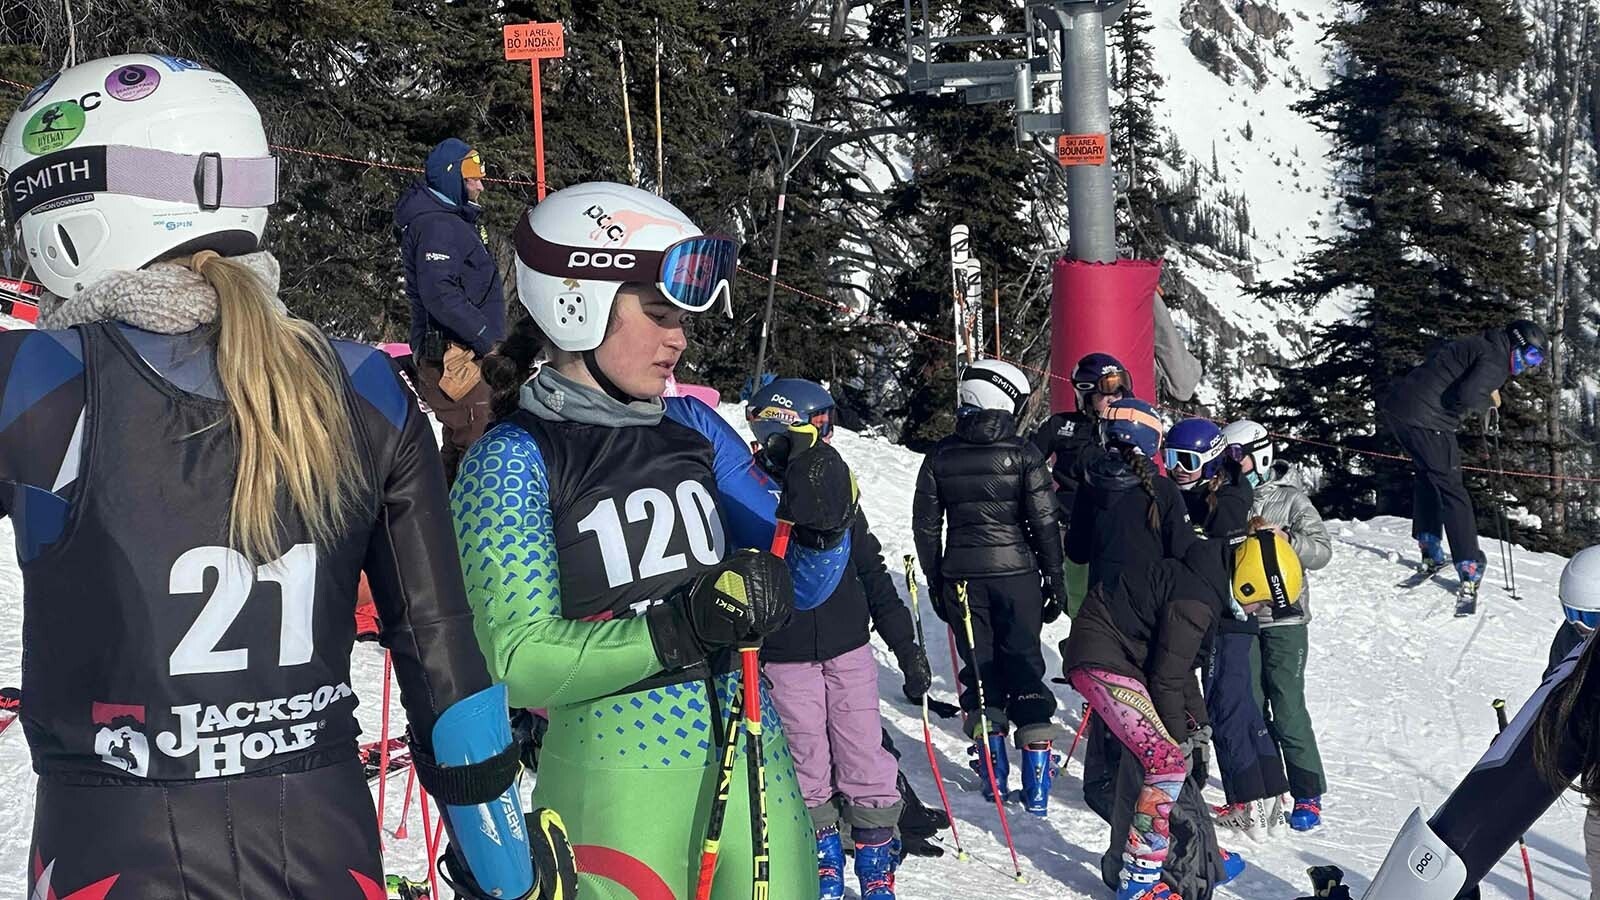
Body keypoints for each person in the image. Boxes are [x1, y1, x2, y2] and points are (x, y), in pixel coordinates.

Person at [0, 55, 565, 900]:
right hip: (328, 848)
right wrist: (506, 870)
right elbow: (445, 661)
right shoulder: (368, 384)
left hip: (113, 854)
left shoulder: (38, 378)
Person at [452, 181, 861, 899]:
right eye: (659, 313)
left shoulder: (691, 430)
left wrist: (822, 528)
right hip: (617, 775)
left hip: (754, 762)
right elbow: (512, 661)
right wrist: (678, 631)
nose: (678, 338)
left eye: (684, 318)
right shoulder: (514, 456)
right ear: (575, 299)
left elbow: (788, 589)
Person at [746, 378, 931, 900]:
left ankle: (875, 866)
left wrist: (907, 648)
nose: (827, 438)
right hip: (785, 656)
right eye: (819, 426)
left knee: (862, 754)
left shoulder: (834, 487)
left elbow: (872, 572)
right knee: (804, 757)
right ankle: (822, 859)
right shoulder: (749, 492)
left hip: (848, 648)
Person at [1064, 530, 1299, 900]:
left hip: (1124, 660)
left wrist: (1199, 726)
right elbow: (1167, 678)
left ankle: (1194, 857)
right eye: (1263, 602)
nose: (1258, 612)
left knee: (1170, 758)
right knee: (1167, 762)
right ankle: (1139, 877)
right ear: (1251, 585)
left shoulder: (1205, 585)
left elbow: (1181, 666)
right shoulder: (1197, 599)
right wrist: (1180, 737)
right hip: (1101, 659)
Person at [1362, 545, 1598, 899]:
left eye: (1591, 618)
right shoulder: (1572, 639)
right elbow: (1552, 699)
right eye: (1572, 613)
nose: (1581, 626)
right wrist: (1524, 740)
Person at [912, 359, 1063, 813]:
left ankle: (993, 771)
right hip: (1017, 575)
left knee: (979, 669)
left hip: (962, 575)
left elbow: (925, 526)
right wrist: (1054, 578)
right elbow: (1045, 522)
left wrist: (936, 576)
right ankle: (1037, 777)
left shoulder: (940, 454)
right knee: (1023, 662)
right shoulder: (1024, 454)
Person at [1379, 319, 1548, 603]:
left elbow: (1445, 361)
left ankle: (1430, 545)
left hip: (1399, 411)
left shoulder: (1482, 344)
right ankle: (1469, 565)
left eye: (1537, 359)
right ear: (1517, 345)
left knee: (1428, 476)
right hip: (1428, 421)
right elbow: (1468, 394)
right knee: (1452, 490)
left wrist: (1486, 392)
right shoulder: (1496, 360)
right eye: (1531, 356)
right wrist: (1488, 402)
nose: (1530, 365)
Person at [1222, 419, 1333, 833]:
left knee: (1286, 703)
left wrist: (1287, 539)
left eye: (1239, 457)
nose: (1234, 466)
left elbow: (1322, 551)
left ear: (1261, 454)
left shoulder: (1291, 500)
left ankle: (1308, 790)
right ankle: (1265, 786)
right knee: (1249, 703)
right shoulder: (1229, 496)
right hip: (1243, 616)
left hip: (1285, 618)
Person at [394, 137, 506, 482]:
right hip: (454, 357)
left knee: (464, 441)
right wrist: (487, 341)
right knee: (482, 441)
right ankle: (473, 522)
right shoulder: (437, 226)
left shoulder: (450, 221)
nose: (480, 184)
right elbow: (439, 294)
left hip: (463, 353)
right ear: (451, 176)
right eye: (472, 174)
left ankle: (441, 519)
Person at [1030, 352, 1132, 616]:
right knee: (1079, 604)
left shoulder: (1130, 428)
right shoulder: (1061, 426)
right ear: (1085, 394)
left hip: (1113, 529)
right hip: (1070, 528)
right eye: (1107, 393)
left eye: (1120, 391)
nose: (1115, 399)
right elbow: (1026, 464)